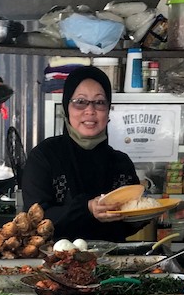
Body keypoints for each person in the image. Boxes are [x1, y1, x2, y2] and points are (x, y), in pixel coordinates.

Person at [22, 66, 140, 242]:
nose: (90, 110)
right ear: (66, 108)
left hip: (111, 258)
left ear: (108, 110)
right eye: (80, 101)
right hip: (54, 257)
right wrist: (87, 208)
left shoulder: (121, 163)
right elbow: (34, 219)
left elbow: (130, 223)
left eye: (99, 102)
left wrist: (145, 214)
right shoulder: (44, 156)